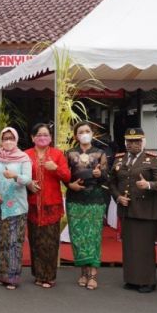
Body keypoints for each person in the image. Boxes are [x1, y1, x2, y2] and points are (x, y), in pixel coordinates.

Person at [108, 127, 157, 293]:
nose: (132, 144)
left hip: (145, 209)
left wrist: (148, 185)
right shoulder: (120, 159)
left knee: (144, 247)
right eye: (129, 141)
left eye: (136, 141)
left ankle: (147, 281)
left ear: (143, 142)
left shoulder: (151, 160)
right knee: (129, 247)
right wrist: (118, 197)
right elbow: (111, 182)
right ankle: (132, 279)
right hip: (126, 209)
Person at [65, 121, 110, 291]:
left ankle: (92, 274)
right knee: (78, 236)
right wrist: (70, 185)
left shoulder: (100, 153)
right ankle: (83, 272)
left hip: (95, 199)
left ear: (92, 134)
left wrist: (99, 174)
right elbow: (64, 176)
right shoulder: (69, 153)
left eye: (87, 131)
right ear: (76, 136)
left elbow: (107, 177)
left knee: (94, 236)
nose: (84, 134)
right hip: (75, 199)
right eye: (81, 132)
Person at [0, 127, 31, 290]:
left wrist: (15, 176)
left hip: (16, 207)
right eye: (5, 138)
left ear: (16, 139)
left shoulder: (23, 157)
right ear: (1, 140)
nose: (8, 141)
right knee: (0, 241)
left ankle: (13, 277)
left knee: (14, 242)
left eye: (11, 138)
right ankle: (2, 275)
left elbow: (28, 179)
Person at [25, 123, 70, 289]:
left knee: (50, 242)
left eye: (46, 135)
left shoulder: (57, 154)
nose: (42, 137)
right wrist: (28, 183)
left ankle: (49, 276)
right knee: (35, 240)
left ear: (50, 138)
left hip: (52, 204)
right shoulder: (26, 155)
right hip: (32, 204)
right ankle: (38, 274)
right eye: (39, 135)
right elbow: (20, 176)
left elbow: (67, 176)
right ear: (32, 138)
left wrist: (56, 168)